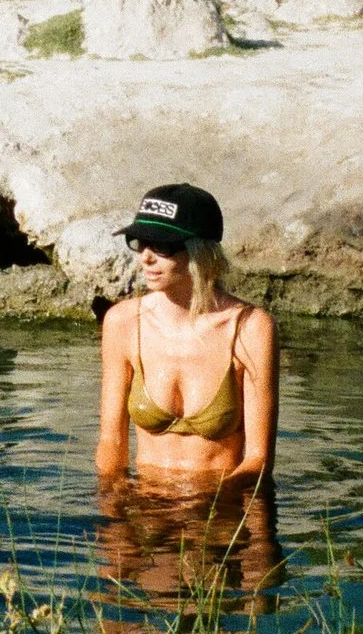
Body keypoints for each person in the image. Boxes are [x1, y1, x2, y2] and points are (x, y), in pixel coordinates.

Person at [94, 183, 278, 491]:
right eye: (140, 243)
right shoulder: (122, 322)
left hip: (219, 506)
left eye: (162, 245)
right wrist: (116, 515)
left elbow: (258, 461)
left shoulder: (251, 328)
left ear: (200, 252)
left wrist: (206, 512)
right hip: (145, 503)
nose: (146, 258)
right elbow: (111, 443)